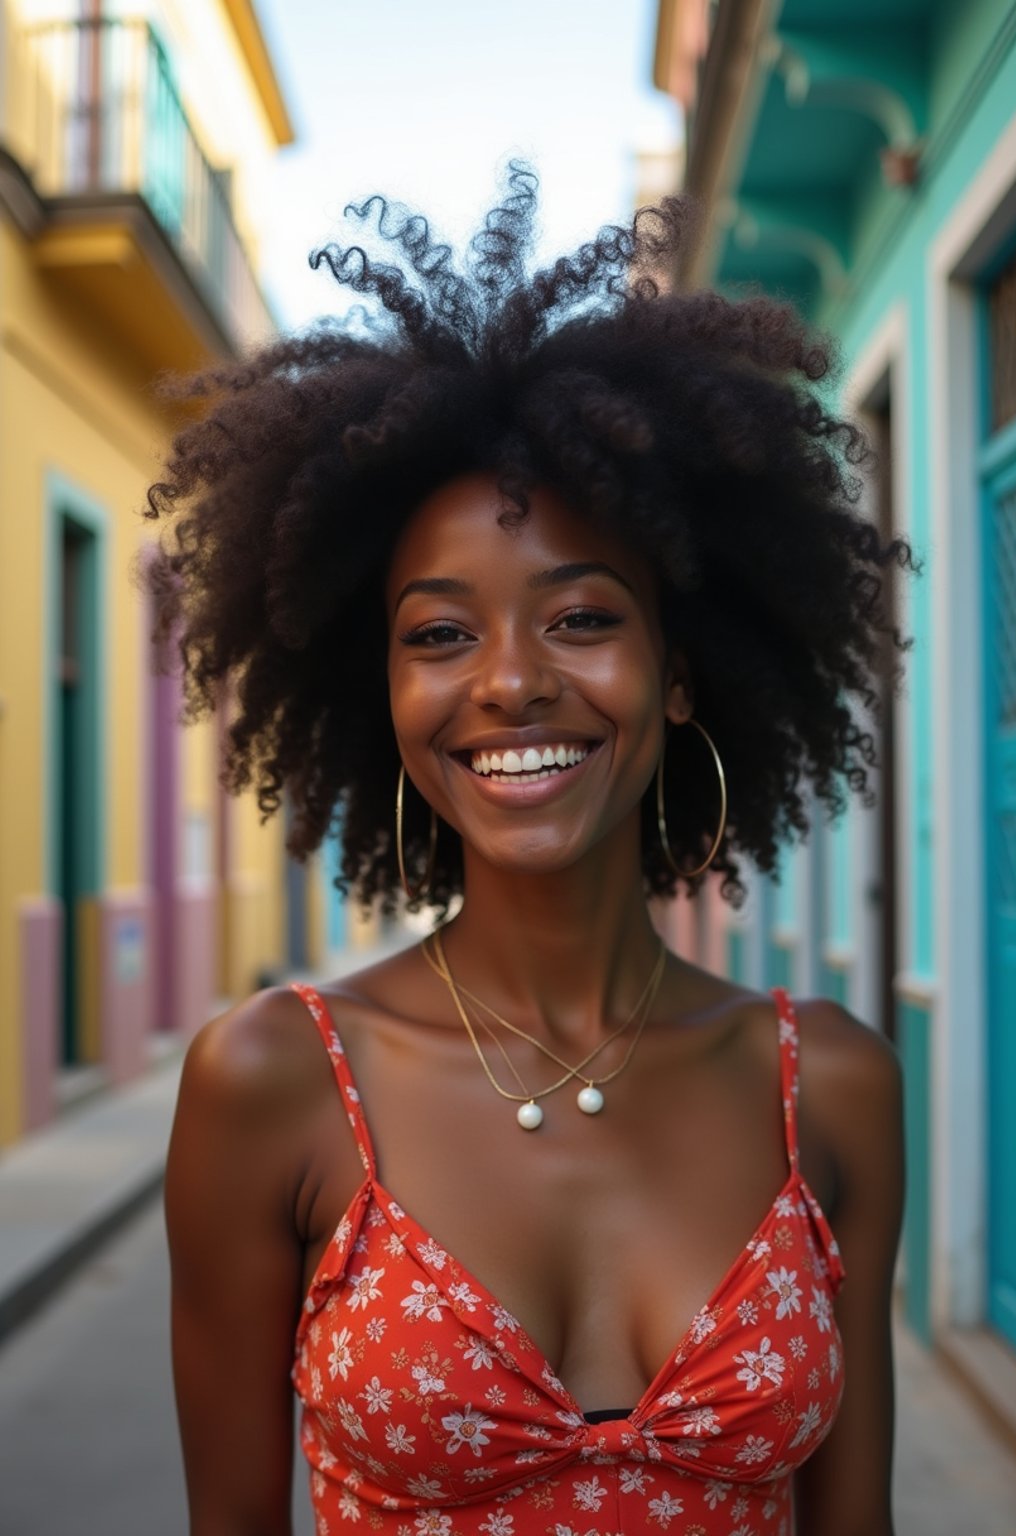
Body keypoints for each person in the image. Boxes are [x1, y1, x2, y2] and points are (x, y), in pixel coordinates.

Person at [151, 165, 908, 1536]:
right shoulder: (271, 1085)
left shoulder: (833, 1087)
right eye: (440, 633)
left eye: (580, 619)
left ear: (683, 671)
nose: (507, 683)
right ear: (377, 691)